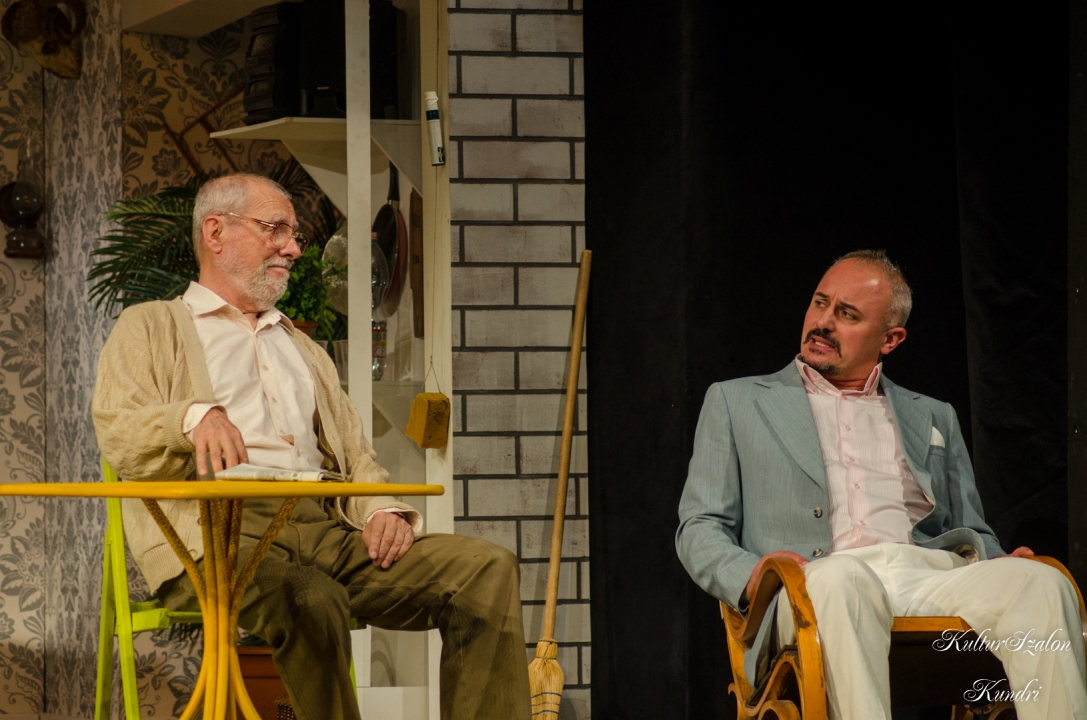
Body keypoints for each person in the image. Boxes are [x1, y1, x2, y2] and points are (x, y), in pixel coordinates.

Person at [92, 173, 531, 720]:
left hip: (325, 528)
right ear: (215, 232)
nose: (294, 248)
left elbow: (356, 457)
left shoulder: (303, 348)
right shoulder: (150, 327)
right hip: (215, 539)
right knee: (311, 596)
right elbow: (118, 428)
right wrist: (191, 417)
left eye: (294, 234)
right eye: (275, 229)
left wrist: (381, 509)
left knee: (484, 569)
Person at [676, 250, 1087, 720]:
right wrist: (752, 575)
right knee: (842, 579)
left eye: (847, 314)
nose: (823, 322)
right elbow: (699, 527)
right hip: (814, 582)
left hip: (929, 573)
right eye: (820, 303)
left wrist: (997, 560)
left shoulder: (933, 414)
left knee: (1042, 583)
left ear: (890, 339)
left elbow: (971, 526)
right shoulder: (737, 401)